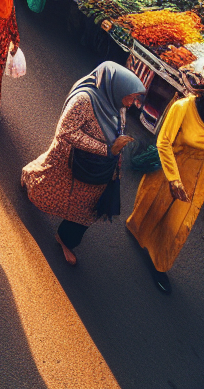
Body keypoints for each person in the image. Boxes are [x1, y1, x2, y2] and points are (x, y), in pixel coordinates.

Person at [22, 62, 145, 266]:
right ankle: (29, 176)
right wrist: (106, 149)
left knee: (87, 210)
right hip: (72, 161)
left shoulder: (118, 104)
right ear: (117, 87)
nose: (132, 103)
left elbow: (117, 129)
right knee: (47, 182)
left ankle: (65, 239)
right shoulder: (85, 100)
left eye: (134, 98)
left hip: (99, 169)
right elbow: (66, 131)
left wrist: (116, 150)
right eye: (131, 96)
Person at [126, 80, 204, 293]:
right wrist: (174, 179)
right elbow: (163, 142)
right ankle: (137, 231)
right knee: (152, 207)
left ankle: (159, 265)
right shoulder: (183, 107)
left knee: (178, 226)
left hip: (197, 180)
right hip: (170, 168)